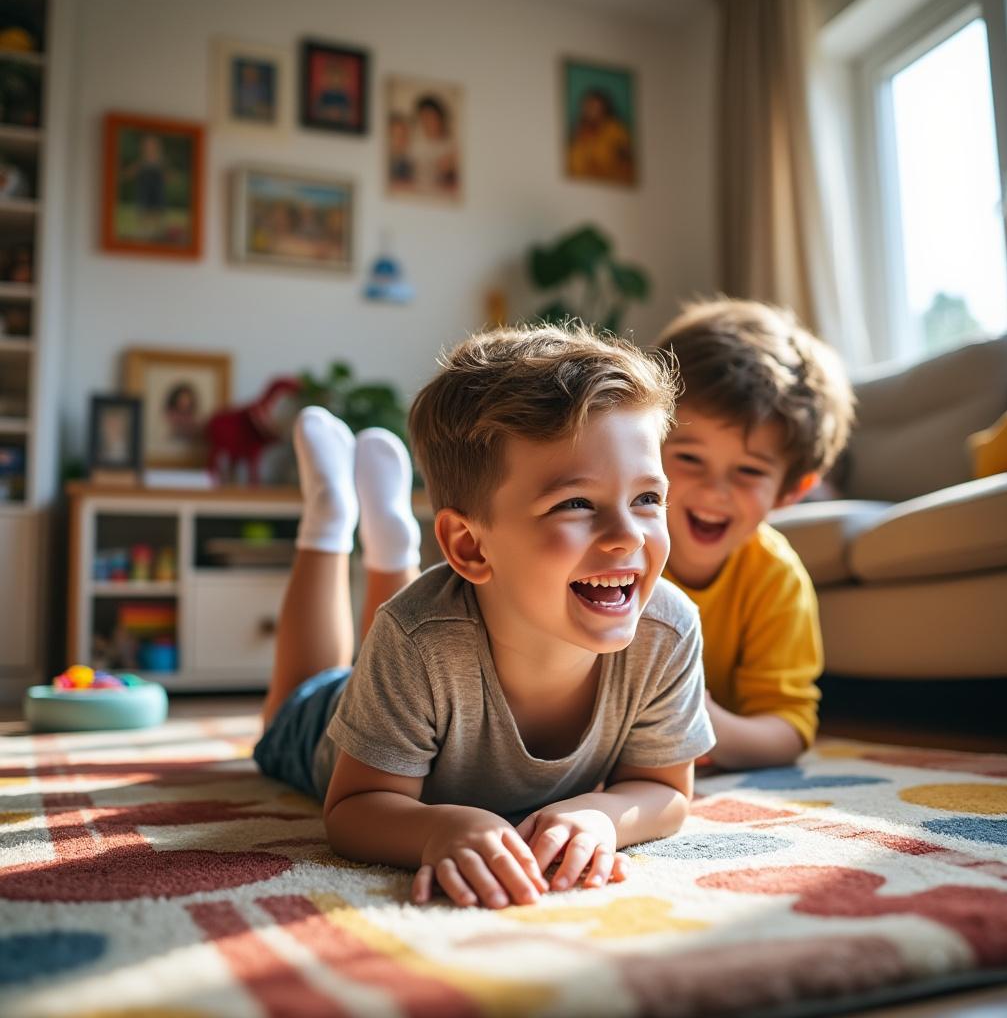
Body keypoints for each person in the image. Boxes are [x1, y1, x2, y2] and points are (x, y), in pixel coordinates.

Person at [255, 325, 714, 910]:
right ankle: (327, 519)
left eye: (648, 499)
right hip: (331, 719)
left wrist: (602, 816)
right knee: (298, 692)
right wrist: (436, 829)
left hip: (416, 688)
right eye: (576, 504)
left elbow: (668, 791)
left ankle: (389, 541)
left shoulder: (667, 631)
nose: (627, 537)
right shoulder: (417, 636)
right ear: (470, 547)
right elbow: (351, 809)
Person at [654, 299, 855, 770]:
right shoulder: (609, 550)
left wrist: (700, 722)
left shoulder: (775, 579)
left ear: (791, 490)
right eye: (688, 458)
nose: (714, 490)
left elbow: (788, 729)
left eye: (747, 470)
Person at [568, 88, 635, 184]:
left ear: (604, 108)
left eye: (594, 107)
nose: (590, 111)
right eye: (587, 107)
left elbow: (627, 159)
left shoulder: (615, 130)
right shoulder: (577, 130)